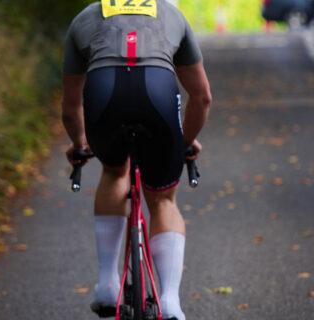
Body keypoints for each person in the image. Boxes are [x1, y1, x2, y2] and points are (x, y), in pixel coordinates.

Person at [62, 1, 212, 319]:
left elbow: (71, 104)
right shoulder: (172, 14)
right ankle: (170, 302)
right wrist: (183, 143)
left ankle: (106, 284)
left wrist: (79, 144)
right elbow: (202, 97)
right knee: (162, 199)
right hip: (157, 94)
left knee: (115, 172)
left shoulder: (84, 17)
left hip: (104, 97)